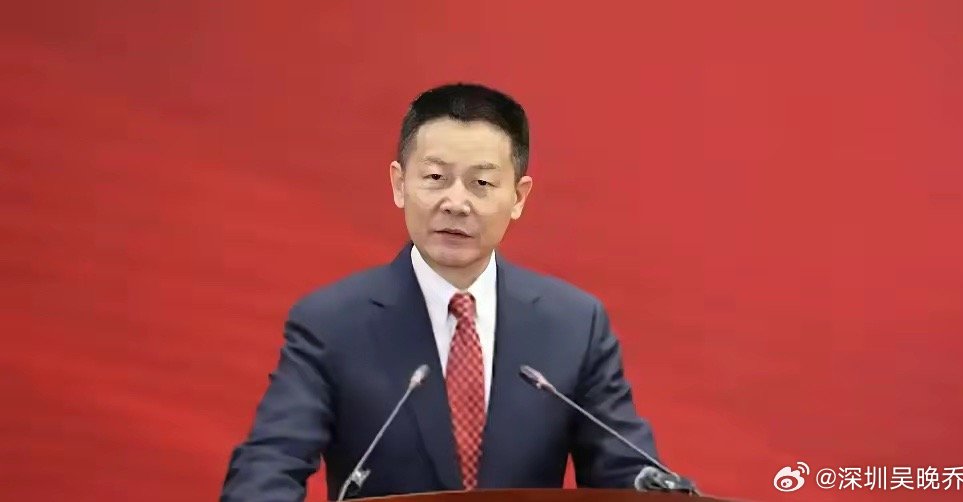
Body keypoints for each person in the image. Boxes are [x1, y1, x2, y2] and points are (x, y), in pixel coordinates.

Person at [221, 83, 660, 501]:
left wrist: (660, 489)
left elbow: (627, 470)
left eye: (481, 184)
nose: (455, 203)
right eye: (435, 177)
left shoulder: (575, 326)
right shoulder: (331, 324)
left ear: (519, 197)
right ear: (399, 184)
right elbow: (269, 465)